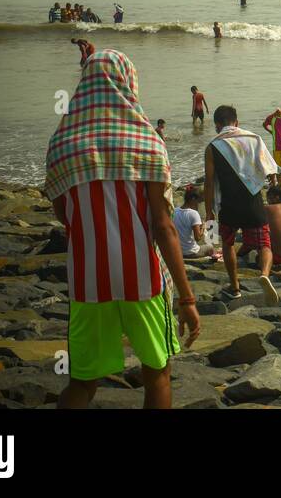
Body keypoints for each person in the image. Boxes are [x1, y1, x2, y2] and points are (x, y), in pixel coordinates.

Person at [45, 49, 199, 408]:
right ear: (128, 84)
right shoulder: (145, 142)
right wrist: (188, 298)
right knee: (157, 374)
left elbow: (63, 215)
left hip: (88, 280)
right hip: (142, 279)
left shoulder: (63, 144)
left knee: (82, 382)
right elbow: (163, 228)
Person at [203, 104, 280, 306]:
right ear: (236, 122)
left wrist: (209, 210)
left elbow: (209, 181)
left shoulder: (212, 147)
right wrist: (273, 185)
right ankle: (264, 274)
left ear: (217, 125)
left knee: (227, 244)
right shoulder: (254, 138)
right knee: (264, 244)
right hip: (252, 199)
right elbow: (270, 168)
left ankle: (235, 287)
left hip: (228, 203)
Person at [174, 185, 210, 260]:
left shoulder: (175, 211)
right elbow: (198, 238)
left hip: (177, 251)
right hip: (190, 252)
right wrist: (203, 227)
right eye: (198, 202)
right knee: (210, 247)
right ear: (193, 199)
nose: (198, 205)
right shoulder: (193, 213)